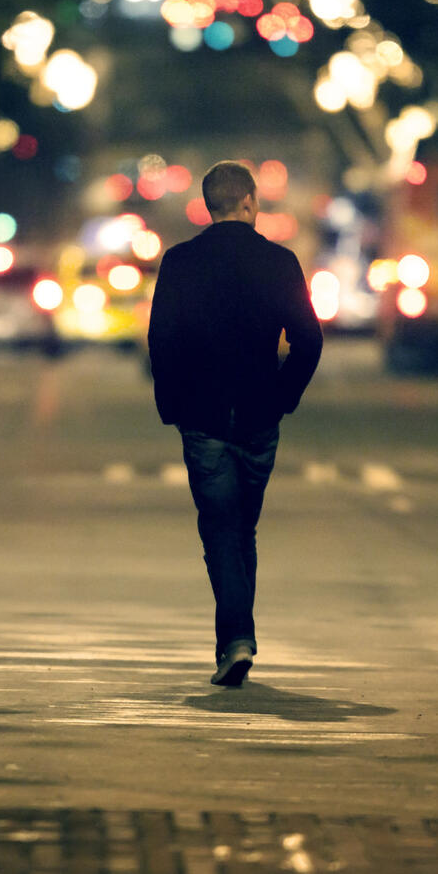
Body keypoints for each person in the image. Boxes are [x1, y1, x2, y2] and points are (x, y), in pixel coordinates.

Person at [149, 160, 323, 688]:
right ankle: (237, 638)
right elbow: (309, 340)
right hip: (257, 415)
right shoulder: (280, 262)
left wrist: (172, 404)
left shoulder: (180, 263)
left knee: (221, 527)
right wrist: (283, 396)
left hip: (201, 417)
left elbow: (162, 340)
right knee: (241, 526)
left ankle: (236, 640)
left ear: (208, 205)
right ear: (250, 202)